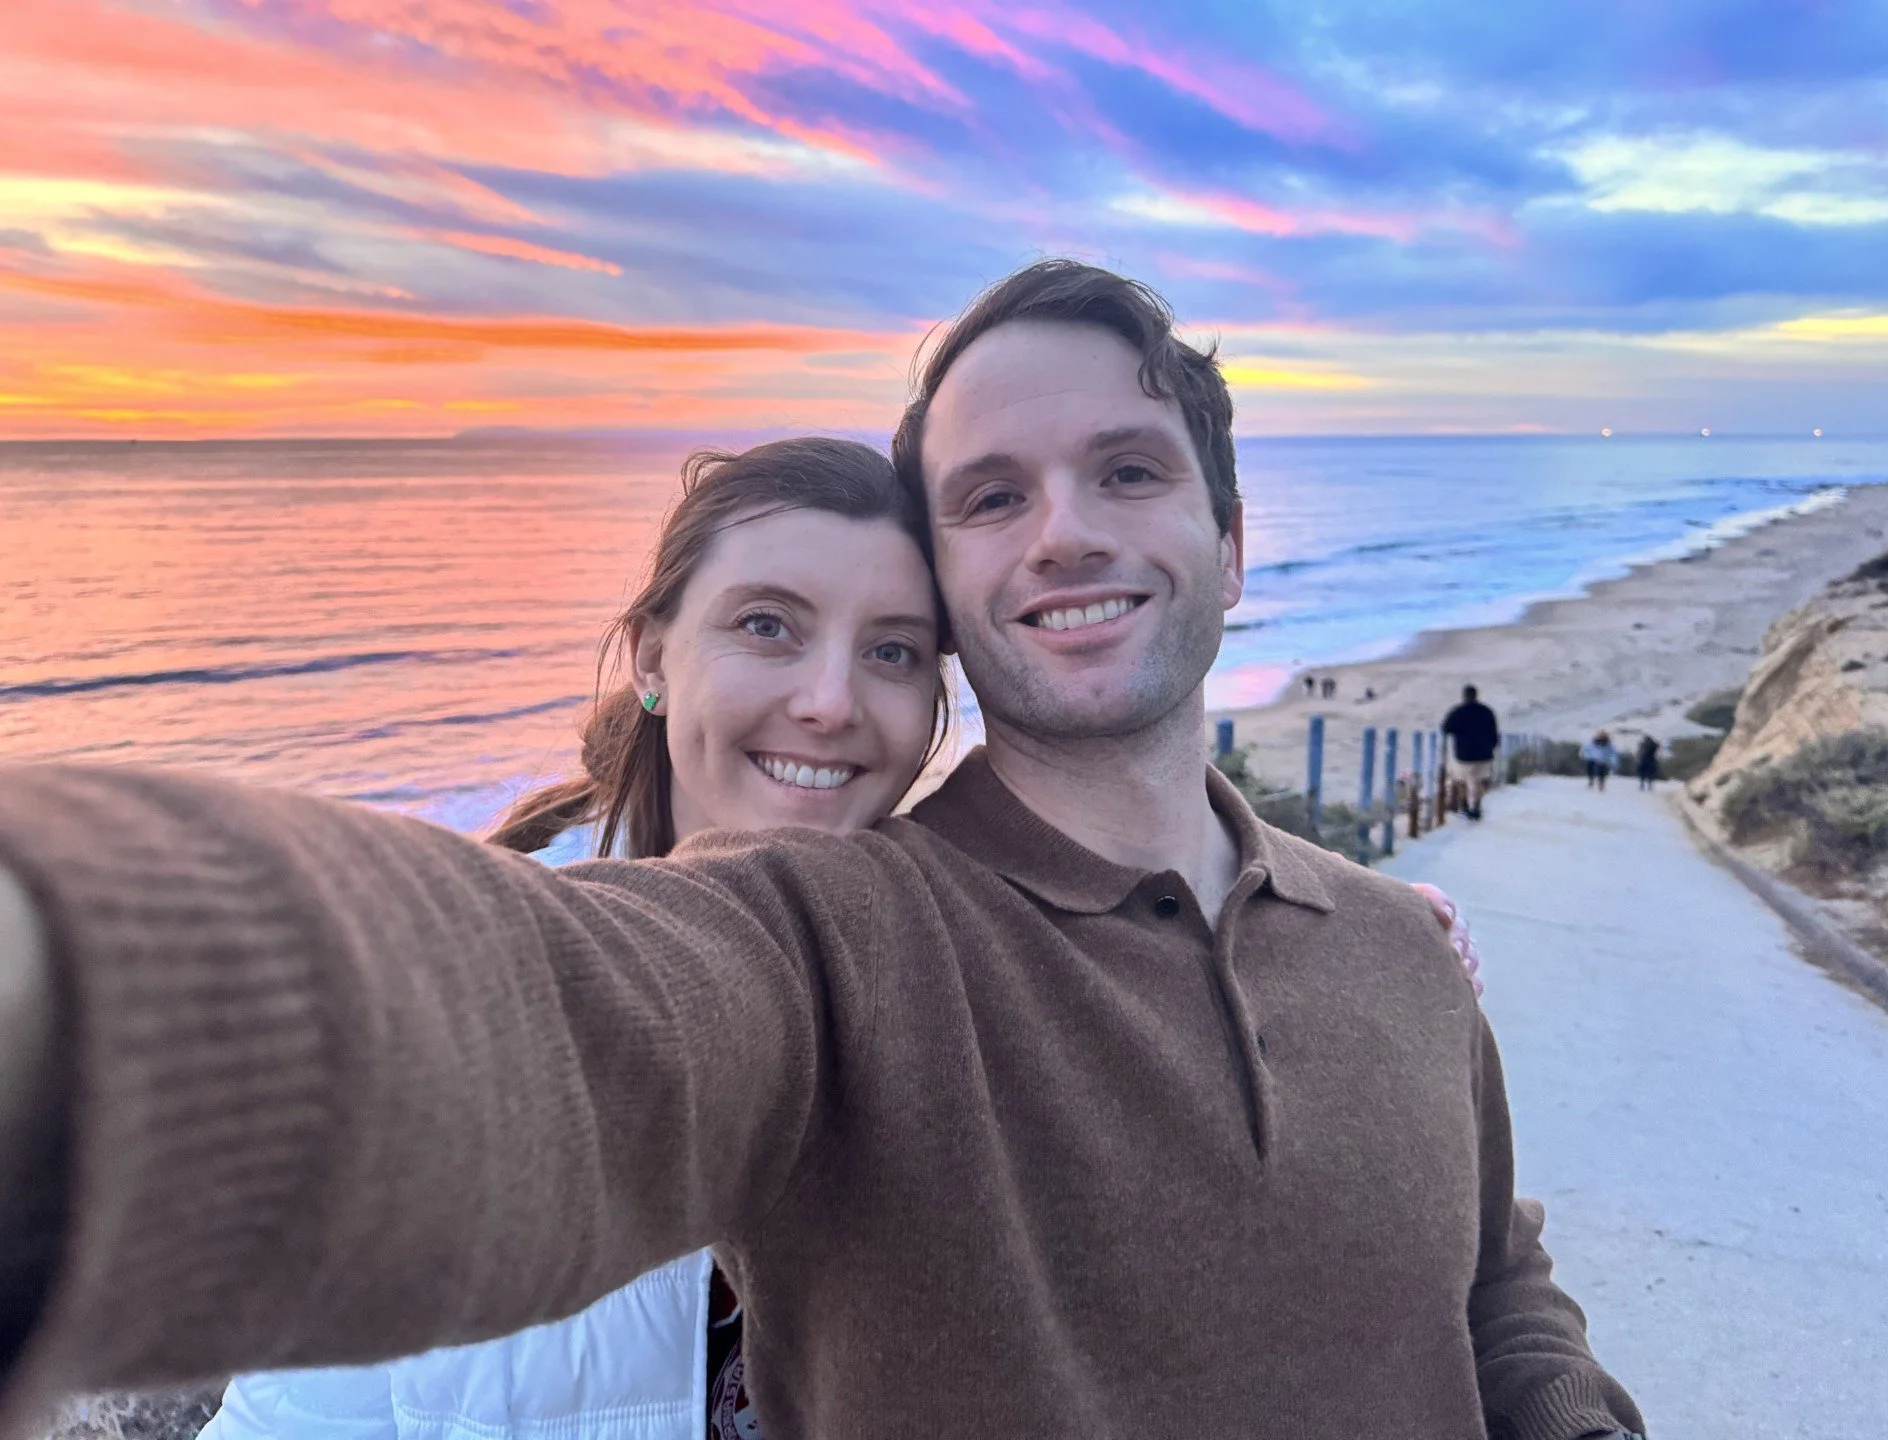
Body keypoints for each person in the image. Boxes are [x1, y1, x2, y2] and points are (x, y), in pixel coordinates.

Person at [0, 261, 1644, 1440]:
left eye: (1125, 472)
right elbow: (549, 1015)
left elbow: (1493, 1287)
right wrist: (70, 979)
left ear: (1228, 542)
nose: (1063, 528)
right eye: (992, 498)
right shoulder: (834, 938)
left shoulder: (1394, 951)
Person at [196, 439, 1482, 1440]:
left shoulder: (972, 963)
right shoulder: (480, 1003)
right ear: (652, 655)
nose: (828, 704)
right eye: (767, 625)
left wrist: (1333, 961)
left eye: (893, 651)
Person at [1442, 684, 1501, 820]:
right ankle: (1477, 806)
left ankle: (1465, 805)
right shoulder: (1486, 711)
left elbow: (1446, 728)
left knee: (1462, 781)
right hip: (1484, 753)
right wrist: (1492, 746)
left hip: (1463, 754)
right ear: (1476, 695)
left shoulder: (1457, 711)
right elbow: (1494, 732)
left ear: (1464, 696)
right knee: (1479, 781)